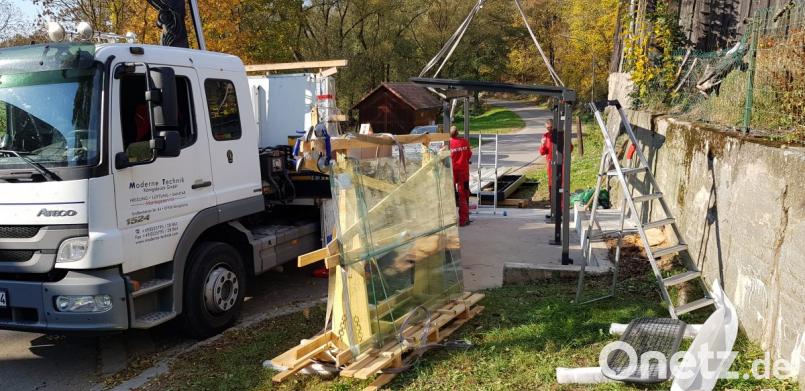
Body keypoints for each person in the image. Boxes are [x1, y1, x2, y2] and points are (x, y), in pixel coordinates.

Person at [539, 119, 572, 210]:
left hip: (562, 162)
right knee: (551, 183)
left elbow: (570, 148)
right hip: (551, 163)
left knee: (562, 182)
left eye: (550, 128)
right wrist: (542, 144)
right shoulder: (546, 136)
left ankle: (563, 204)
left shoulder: (562, 134)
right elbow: (542, 152)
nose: (548, 130)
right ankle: (553, 204)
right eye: (547, 128)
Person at [449, 125, 472, 226]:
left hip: (452, 173)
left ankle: (450, 222)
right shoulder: (464, 142)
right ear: (458, 133)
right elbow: (469, 155)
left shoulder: (448, 144)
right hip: (463, 173)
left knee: (449, 196)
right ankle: (463, 220)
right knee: (463, 195)